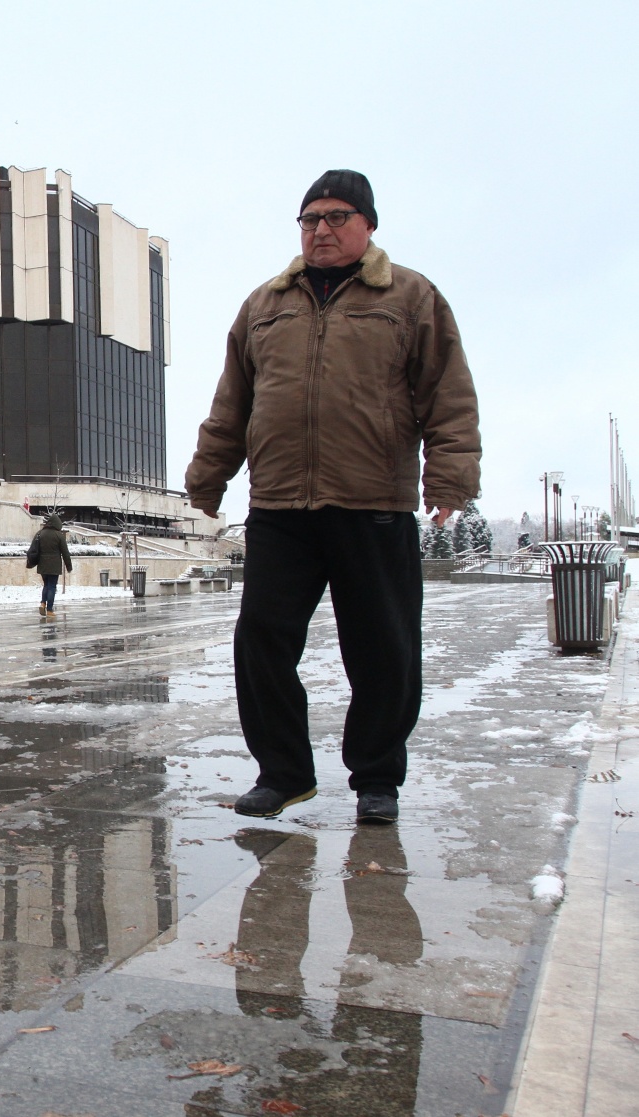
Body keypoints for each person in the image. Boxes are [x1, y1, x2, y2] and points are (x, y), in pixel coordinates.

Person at [184, 169, 481, 825]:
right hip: (279, 507)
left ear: (367, 225)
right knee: (261, 643)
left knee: (383, 651)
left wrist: (449, 478)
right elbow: (231, 403)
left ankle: (376, 779)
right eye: (310, 218)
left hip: (372, 503)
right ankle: (283, 773)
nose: (320, 229)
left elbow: (448, 395)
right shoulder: (264, 304)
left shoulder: (410, 296)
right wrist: (207, 478)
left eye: (336, 216)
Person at [26, 513, 72, 619]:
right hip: (54, 565)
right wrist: (69, 566)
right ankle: (50, 610)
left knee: (46, 585)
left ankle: (43, 603)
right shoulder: (59, 535)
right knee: (52, 586)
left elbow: (34, 548)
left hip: (42, 564)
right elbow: (65, 553)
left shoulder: (40, 533)